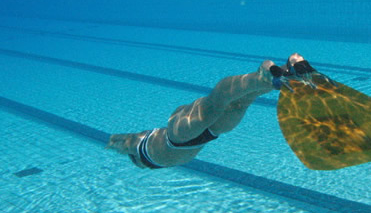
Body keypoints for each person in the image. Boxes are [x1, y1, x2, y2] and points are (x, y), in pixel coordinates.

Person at [106, 53, 320, 169]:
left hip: (187, 138)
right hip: (196, 134)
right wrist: (112, 143)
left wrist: (111, 143)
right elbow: (119, 141)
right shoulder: (139, 144)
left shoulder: (139, 147)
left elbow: (121, 142)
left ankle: (267, 74)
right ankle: (285, 72)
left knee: (225, 103)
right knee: (230, 100)